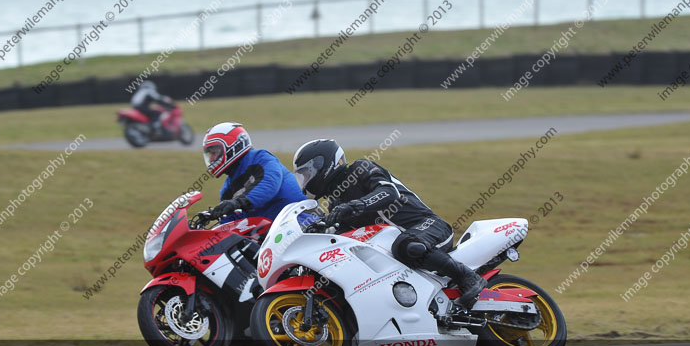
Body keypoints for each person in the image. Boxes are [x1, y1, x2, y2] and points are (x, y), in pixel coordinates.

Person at [292, 139, 487, 309]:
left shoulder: (361, 169)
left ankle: (467, 277)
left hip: (429, 226)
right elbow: (343, 237)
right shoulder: (337, 202)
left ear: (323, 164)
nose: (306, 181)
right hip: (397, 249)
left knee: (405, 245)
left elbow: (388, 192)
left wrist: (356, 205)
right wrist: (321, 227)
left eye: (308, 174)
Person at [203, 122, 305, 223]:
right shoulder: (227, 189)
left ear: (232, 146)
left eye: (214, 153)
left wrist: (238, 203)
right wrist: (214, 217)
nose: (211, 159)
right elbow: (233, 222)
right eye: (209, 154)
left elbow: (269, 185)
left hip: (301, 220)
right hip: (271, 231)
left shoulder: (262, 158)